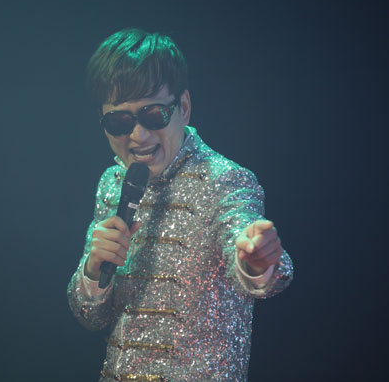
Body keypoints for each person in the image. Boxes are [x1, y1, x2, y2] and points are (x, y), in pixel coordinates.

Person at [67, 29, 293, 382]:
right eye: (119, 121)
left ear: (183, 107)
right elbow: (89, 317)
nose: (138, 136)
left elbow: (256, 261)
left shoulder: (224, 179)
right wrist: (94, 270)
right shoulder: (112, 182)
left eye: (153, 115)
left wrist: (256, 261)